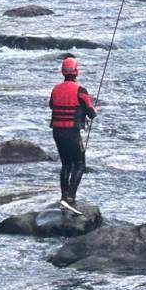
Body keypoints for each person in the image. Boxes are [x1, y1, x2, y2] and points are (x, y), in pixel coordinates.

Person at [49, 57, 96, 212]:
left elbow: (51, 105)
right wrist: (93, 111)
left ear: (63, 71)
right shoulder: (80, 91)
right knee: (79, 164)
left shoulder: (55, 89)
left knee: (66, 164)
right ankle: (71, 197)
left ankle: (64, 196)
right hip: (72, 132)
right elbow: (91, 113)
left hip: (57, 132)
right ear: (76, 72)